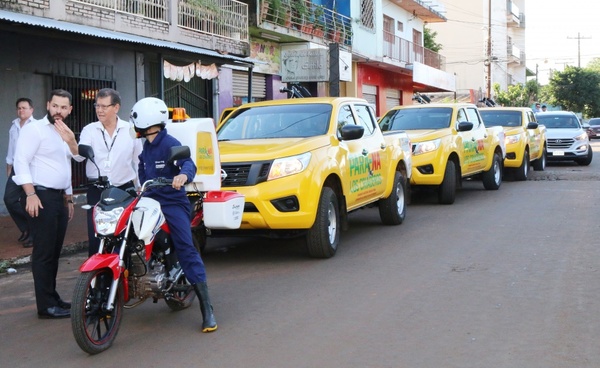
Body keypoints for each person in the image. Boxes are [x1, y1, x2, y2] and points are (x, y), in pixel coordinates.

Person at [131, 97, 217, 333]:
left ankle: (207, 309)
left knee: (186, 247)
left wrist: (182, 176)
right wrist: (140, 186)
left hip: (172, 202)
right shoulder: (147, 145)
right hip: (150, 200)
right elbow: (141, 166)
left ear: (146, 121)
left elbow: (188, 163)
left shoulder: (169, 142)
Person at [12, 89, 79, 319]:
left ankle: (53, 298)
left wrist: (69, 197)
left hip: (58, 198)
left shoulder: (64, 132)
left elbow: (67, 163)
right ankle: (46, 306)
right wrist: (30, 194)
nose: (58, 111)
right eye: (55, 106)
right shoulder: (34, 129)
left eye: (63, 107)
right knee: (43, 253)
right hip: (40, 197)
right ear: (48, 105)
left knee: (54, 251)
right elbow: (21, 161)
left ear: (69, 110)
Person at [70, 88, 142, 256]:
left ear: (116, 108)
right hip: (98, 191)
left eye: (104, 106)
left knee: (123, 236)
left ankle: (122, 276)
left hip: (124, 190)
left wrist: (140, 189)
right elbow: (79, 157)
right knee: (96, 236)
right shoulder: (89, 130)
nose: (99, 110)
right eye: (97, 105)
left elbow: (139, 161)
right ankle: (96, 280)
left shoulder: (131, 130)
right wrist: (70, 142)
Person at [4, 98, 35, 247]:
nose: (21, 110)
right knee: (9, 199)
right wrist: (9, 165)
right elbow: (12, 148)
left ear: (31, 110)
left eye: (24, 108)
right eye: (19, 108)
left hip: (31, 168)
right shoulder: (14, 126)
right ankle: (26, 228)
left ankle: (33, 234)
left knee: (27, 201)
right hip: (16, 168)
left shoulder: (36, 126)